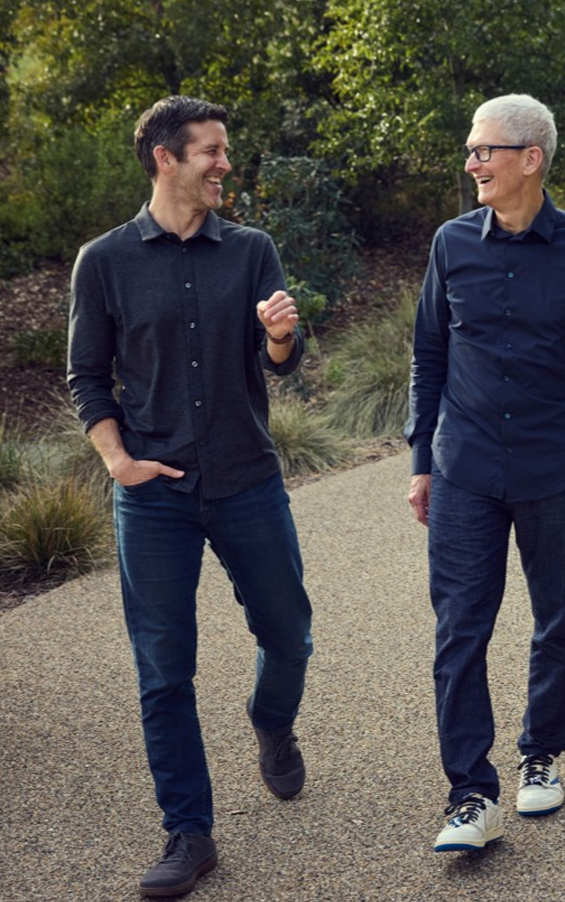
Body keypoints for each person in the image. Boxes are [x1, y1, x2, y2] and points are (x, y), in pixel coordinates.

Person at [67, 95, 313, 898]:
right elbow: (86, 377)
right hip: (154, 496)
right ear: (166, 158)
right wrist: (117, 461)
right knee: (163, 671)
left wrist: (280, 334)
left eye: (225, 150)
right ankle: (189, 832)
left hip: (246, 480)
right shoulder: (102, 261)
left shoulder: (251, 251)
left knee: (290, 635)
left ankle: (271, 723)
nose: (225, 165)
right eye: (210, 151)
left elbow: (281, 360)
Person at [405, 93, 565, 852]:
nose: (471, 163)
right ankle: (470, 796)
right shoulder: (451, 244)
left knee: (557, 619)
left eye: (485, 151)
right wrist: (420, 464)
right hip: (465, 469)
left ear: (529, 159)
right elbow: (429, 357)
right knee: (459, 631)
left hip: (552, 467)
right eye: (470, 151)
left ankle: (541, 755)